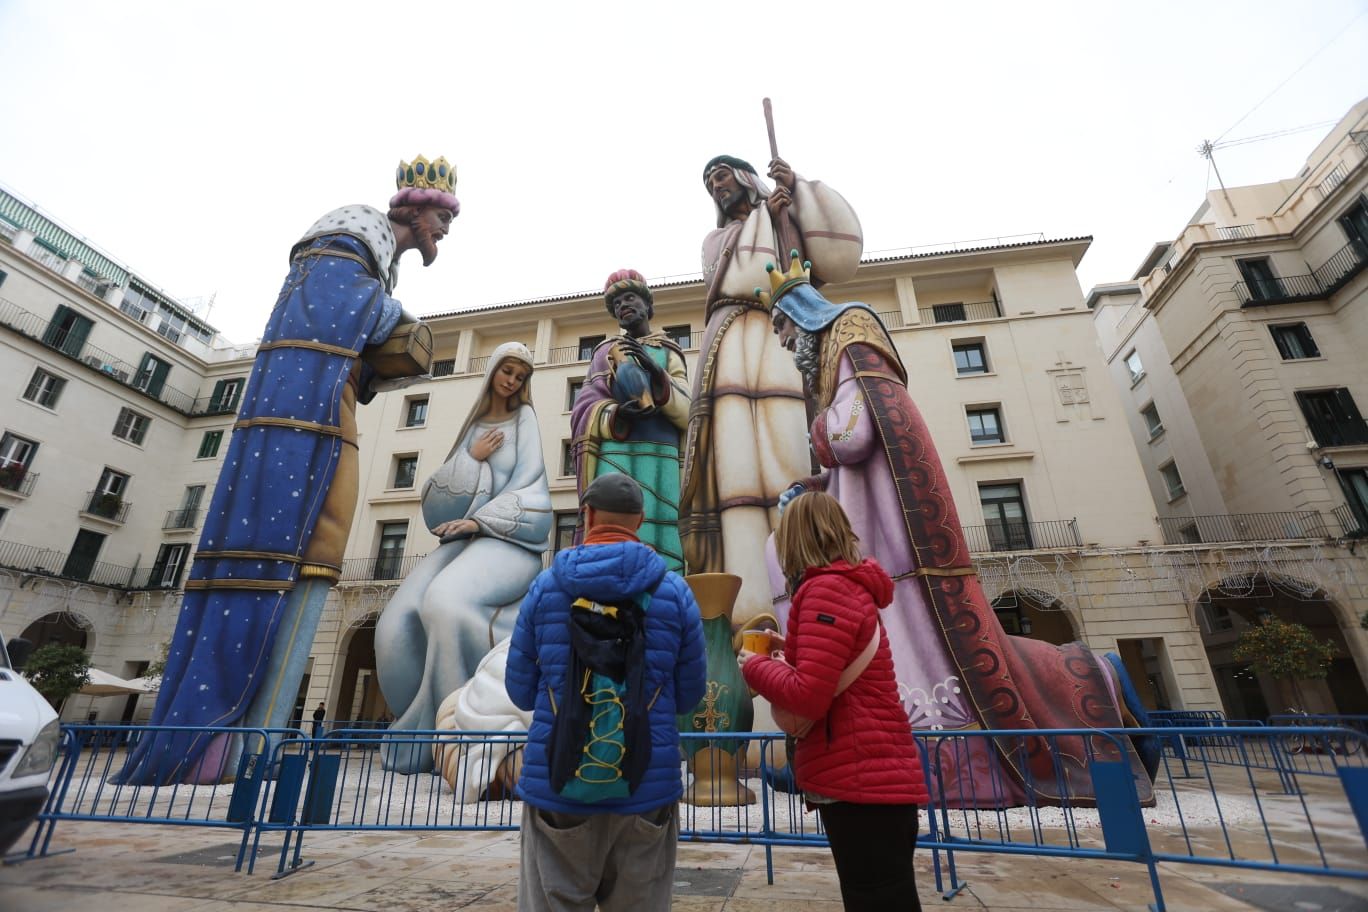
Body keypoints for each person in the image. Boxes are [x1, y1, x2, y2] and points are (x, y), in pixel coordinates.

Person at [117, 156, 459, 785]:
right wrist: (396, 320)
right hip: (305, 415)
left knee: (323, 548)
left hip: (329, 406)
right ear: (412, 209)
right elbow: (336, 314)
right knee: (307, 543)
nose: (446, 230)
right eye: (443, 216)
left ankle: (260, 739)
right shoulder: (350, 239)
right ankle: (230, 742)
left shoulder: (370, 258)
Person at [764, 256, 1154, 807]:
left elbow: (851, 436)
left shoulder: (850, 352)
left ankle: (1015, 719)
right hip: (865, 513)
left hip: (881, 529)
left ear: (804, 318)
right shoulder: (836, 365)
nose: (783, 340)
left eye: (783, 326)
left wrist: (820, 430)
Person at [505, 473, 706, 912]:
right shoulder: (674, 592)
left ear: (588, 514)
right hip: (645, 786)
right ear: (641, 519)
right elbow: (690, 698)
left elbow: (519, 691)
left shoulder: (546, 588)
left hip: (557, 784)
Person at [680, 154, 862, 626]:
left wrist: (797, 191)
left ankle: (814, 588)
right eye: (709, 182)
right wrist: (768, 212)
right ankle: (751, 609)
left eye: (722, 175)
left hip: (784, 338)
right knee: (737, 471)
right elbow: (744, 273)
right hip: (734, 343)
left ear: (745, 177)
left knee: (792, 456)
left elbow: (841, 258)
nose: (716, 186)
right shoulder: (717, 238)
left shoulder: (785, 217)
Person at [739, 491, 927, 912]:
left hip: (862, 782)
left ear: (796, 537)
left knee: (875, 897)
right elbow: (830, 664)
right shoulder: (845, 588)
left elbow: (808, 695)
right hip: (869, 779)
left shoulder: (826, 591)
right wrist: (787, 648)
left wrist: (752, 666)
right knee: (882, 894)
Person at [375, 341, 551, 773]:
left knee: (447, 604)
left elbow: (533, 491)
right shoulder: (472, 427)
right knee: (395, 622)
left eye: (520, 376)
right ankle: (419, 726)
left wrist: (479, 522)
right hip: (459, 543)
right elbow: (437, 505)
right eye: (506, 370)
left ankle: (459, 735)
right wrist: (471, 460)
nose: (511, 380)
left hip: (509, 541)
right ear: (493, 370)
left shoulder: (524, 419)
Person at [571, 269, 690, 570]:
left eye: (629, 298)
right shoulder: (605, 352)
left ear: (648, 306)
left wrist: (654, 369)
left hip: (662, 455)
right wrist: (615, 413)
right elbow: (584, 405)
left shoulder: (670, 352)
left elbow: (691, 411)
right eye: (616, 305)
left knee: (662, 536)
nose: (623, 306)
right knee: (612, 534)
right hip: (615, 452)